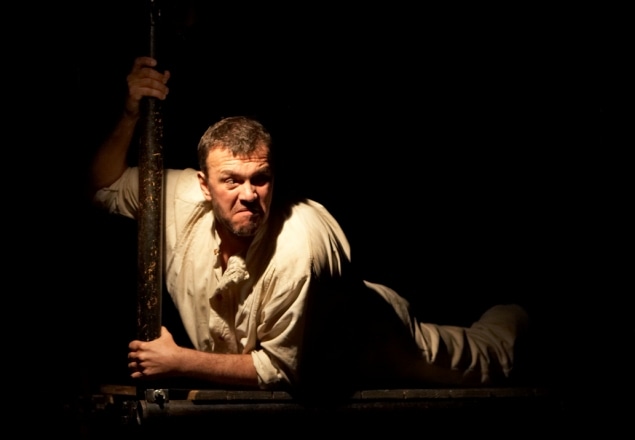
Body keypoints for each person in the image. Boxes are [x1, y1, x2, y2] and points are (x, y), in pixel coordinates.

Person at [90, 56, 530, 401]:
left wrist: (179, 362)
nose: (248, 194)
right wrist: (129, 115)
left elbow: (280, 369)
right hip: (302, 344)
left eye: (260, 179)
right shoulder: (178, 197)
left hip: (370, 341)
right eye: (231, 181)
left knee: (485, 360)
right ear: (204, 185)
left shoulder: (300, 247)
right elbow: (103, 185)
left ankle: (517, 318)